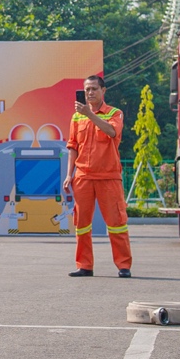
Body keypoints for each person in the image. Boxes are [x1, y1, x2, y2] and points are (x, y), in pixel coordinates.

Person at [62, 74, 133, 278]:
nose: (90, 93)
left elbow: (111, 132)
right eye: (87, 90)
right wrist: (69, 174)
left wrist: (90, 114)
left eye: (94, 89)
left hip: (109, 176)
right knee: (81, 224)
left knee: (117, 223)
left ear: (104, 91)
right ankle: (85, 265)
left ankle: (123, 265)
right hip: (83, 175)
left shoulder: (114, 113)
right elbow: (72, 146)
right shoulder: (76, 117)